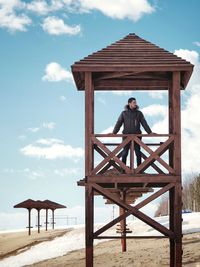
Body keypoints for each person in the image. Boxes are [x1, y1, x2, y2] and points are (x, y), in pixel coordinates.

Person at [112, 97, 153, 167]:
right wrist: (114, 133)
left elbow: (144, 123)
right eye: (134, 102)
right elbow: (119, 123)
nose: (135, 104)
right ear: (129, 103)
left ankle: (139, 169)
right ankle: (123, 169)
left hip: (137, 136)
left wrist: (150, 132)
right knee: (124, 153)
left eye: (135, 102)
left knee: (138, 153)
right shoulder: (124, 113)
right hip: (126, 136)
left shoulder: (139, 113)